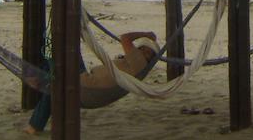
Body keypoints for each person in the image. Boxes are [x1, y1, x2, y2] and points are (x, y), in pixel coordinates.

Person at [24, 31, 158, 134]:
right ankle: (41, 80)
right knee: (69, 52)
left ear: (150, 59)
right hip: (86, 81)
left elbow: (125, 38)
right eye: (143, 49)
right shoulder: (136, 65)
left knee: (55, 70)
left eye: (148, 52)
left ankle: (39, 82)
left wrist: (146, 34)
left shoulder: (139, 62)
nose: (144, 52)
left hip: (83, 86)